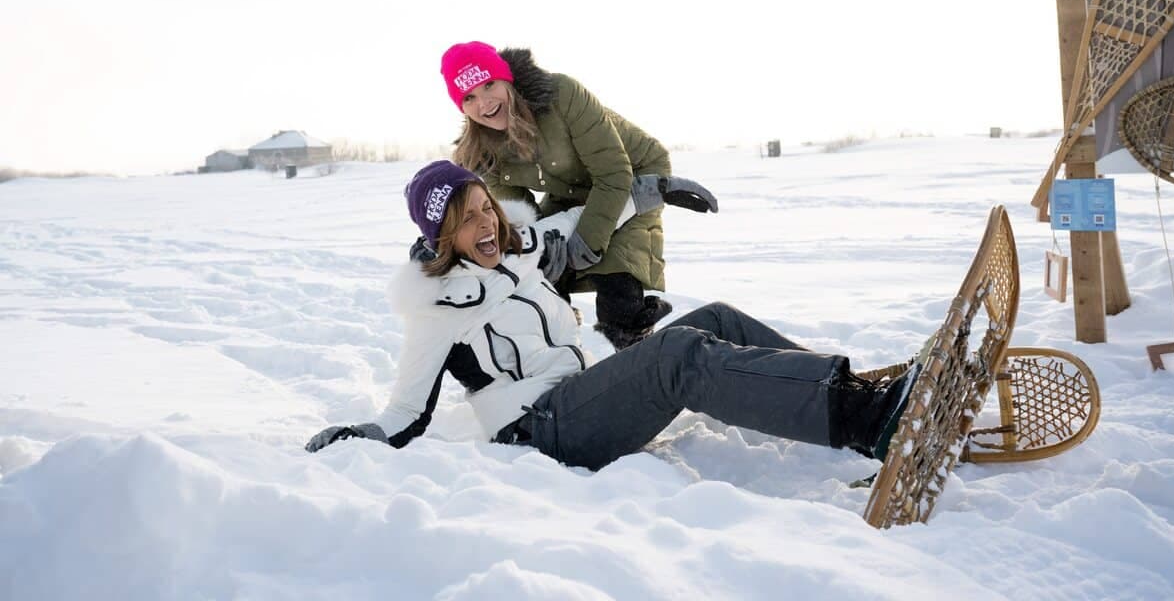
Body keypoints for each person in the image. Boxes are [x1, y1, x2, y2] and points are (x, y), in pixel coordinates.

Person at [306, 160, 917, 471]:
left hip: (577, 397)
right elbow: (406, 413)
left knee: (717, 319)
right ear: (442, 238)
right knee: (674, 357)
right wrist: (359, 437)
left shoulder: (520, 249)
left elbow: (581, 222)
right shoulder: (436, 308)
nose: (486, 224)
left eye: (484, 207)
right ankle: (867, 420)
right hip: (538, 433)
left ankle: (851, 397)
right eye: (465, 220)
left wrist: (657, 190)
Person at [437, 40, 718, 351]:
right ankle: (562, 352)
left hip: (634, 175)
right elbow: (521, 218)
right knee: (543, 272)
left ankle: (641, 351)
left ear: (507, 79)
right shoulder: (482, 152)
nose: (485, 102)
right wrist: (538, 256)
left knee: (616, 285)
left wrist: (586, 243)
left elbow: (614, 174)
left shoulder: (561, 94)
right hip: (568, 190)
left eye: (489, 84)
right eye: (469, 97)